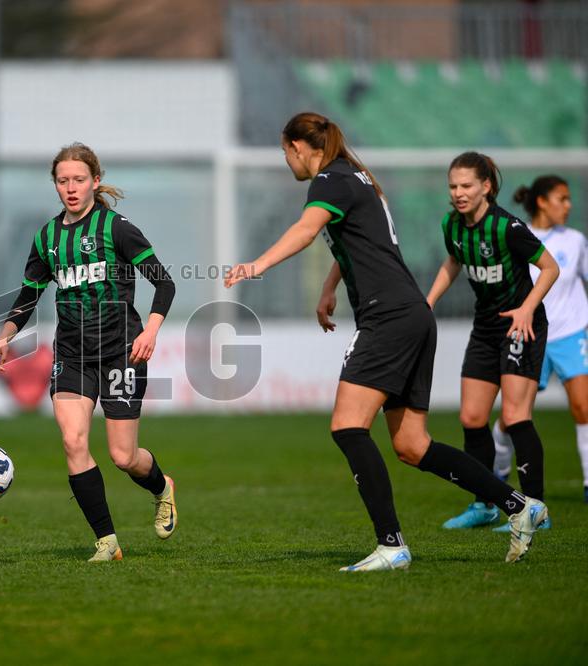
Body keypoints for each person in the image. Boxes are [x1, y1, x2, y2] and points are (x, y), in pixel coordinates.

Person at [224, 112, 549, 570]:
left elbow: (306, 230)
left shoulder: (330, 180)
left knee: (347, 427)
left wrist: (256, 265)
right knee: (412, 445)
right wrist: (330, 288)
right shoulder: (356, 177)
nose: (286, 161)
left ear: (299, 147)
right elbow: (361, 242)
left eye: (285, 152)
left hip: (389, 317)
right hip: (411, 313)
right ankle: (518, 505)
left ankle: (392, 545)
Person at [0, 142, 177, 562]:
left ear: (95, 181)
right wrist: (5, 335)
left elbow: (164, 283)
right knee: (73, 440)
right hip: (72, 354)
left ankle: (162, 487)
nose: (71, 188)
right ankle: (107, 541)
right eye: (63, 181)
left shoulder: (117, 228)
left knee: (123, 456)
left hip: (121, 353)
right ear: (55, 185)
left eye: (78, 179)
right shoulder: (47, 237)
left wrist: (150, 330)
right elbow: (29, 294)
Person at [427, 154, 559, 531]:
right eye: (453, 186)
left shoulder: (507, 227)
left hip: (521, 327)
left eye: (466, 186)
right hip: (485, 327)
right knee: (471, 417)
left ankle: (536, 510)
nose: (458, 193)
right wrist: (428, 301)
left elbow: (550, 267)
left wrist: (526, 309)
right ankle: (484, 504)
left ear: (486, 186)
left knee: (515, 416)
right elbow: (453, 261)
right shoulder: (452, 224)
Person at [491, 175, 588, 503]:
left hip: (571, 333)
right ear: (542, 202)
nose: (568, 205)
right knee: (512, 416)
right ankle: (498, 470)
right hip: (531, 334)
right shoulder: (520, 237)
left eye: (569, 198)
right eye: (562, 198)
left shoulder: (575, 241)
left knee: (584, 407)